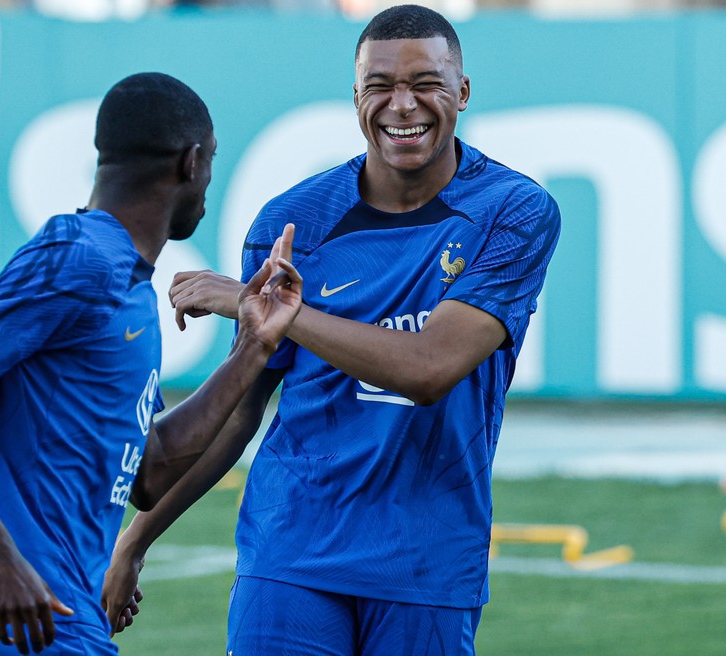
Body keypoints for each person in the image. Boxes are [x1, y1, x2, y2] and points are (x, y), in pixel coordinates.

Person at [102, 5, 561, 655]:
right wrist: (135, 540)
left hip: (427, 565)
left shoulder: (514, 212)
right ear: (356, 98)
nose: (403, 105)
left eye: (425, 83)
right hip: (289, 552)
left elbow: (430, 369)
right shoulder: (292, 220)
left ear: (462, 91)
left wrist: (279, 313)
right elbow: (239, 412)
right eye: (380, 86)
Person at [0, 72, 302, 656]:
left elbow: (150, 472)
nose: (209, 179)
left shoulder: (127, 282)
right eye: (211, 159)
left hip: (61, 610)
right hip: (16, 610)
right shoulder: (80, 254)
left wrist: (253, 346)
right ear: (190, 162)